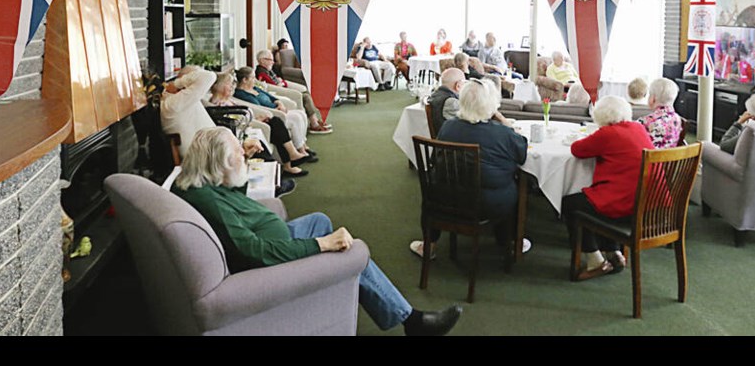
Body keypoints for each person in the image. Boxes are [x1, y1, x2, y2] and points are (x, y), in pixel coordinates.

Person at [172, 126, 463, 336]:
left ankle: (402, 315)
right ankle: (411, 320)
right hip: (271, 261)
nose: (243, 153)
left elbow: (236, 202)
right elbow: (254, 252)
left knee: (320, 220)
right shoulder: (208, 201)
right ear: (219, 163)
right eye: (237, 152)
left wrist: (241, 163)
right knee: (352, 250)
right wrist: (321, 246)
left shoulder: (200, 184)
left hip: (274, 238)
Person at [410, 78, 529, 259]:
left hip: (444, 199)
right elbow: (522, 154)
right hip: (487, 204)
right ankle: (510, 241)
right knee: (515, 187)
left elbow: (436, 159)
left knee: (435, 189)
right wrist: (504, 121)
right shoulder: (503, 134)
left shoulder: (448, 127)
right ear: (491, 104)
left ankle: (429, 245)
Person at [561, 96, 654, 280]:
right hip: (650, 202)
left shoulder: (608, 134)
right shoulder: (638, 128)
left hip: (629, 205)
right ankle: (614, 252)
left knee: (572, 203)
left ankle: (595, 259)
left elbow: (577, 150)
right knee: (598, 199)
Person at [207, 71, 314, 177]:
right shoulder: (218, 104)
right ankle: (290, 160)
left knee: (276, 124)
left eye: (232, 84)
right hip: (243, 130)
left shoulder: (228, 100)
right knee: (276, 126)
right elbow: (234, 121)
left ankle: (289, 161)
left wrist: (258, 118)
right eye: (229, 84)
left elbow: (243, 114)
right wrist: (256, 121)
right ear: (219, 87)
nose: (232, 87)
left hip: (251, 123)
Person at [232, 66, 313, 158]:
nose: (255, 80)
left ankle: (303, 146)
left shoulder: (254, 88)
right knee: (296, 118)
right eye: (253, 78)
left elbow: (271, 97)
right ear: (244, 80)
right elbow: (259, 107)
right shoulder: (242, 94)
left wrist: (280, 103)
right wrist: (277, 110)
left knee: (301, 113)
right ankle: (301, 149)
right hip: (273, 113)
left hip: (277, 109)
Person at [254, 50, 332, 134]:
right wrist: (280, 83)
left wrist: (281, 82)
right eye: (270, 60)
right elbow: (274, 84)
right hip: (277, 92)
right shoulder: (262, 72)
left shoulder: (267, 70)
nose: (273, 62)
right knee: (305, 97)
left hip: (282, 87)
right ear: (262, 60)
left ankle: (315, 120)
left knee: (306, 93)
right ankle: (314, 124)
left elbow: (279, 80)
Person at [428, 67, 510, 133]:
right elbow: (474, 123)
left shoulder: (435, 95)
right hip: (457, 146)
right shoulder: (451, 102)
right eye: (465, 83)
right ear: (459, 85)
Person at [638, 78, 683, 149]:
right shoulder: (677, 118)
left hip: (650, 159)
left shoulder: (644, 122)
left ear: (653, 99)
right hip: (671, 158)